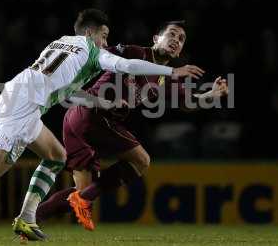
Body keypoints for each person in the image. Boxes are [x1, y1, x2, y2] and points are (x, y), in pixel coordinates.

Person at [0, 10, 203, 240]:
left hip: (14, 94)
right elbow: (128, 65)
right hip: (24, 107)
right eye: (105, 36)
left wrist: (104, 102)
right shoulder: (94, 51)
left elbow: (68, 88)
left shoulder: (61, 43)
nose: (107, 42)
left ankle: (26, 217)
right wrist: (173, 73)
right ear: (92, 34)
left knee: (55, 156)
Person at [35, 21, 228, 231]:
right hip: (94, 113)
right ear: (156, 38)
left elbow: (190, 103)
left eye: (181, 39)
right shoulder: (132, 52)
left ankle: (29, 217)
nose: (176, 40)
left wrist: (212, 94)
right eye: (171, 34)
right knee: (141, 161)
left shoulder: (166, 78)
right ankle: (81, 200)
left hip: (76, 119)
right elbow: (95, 53)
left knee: (82, 191)